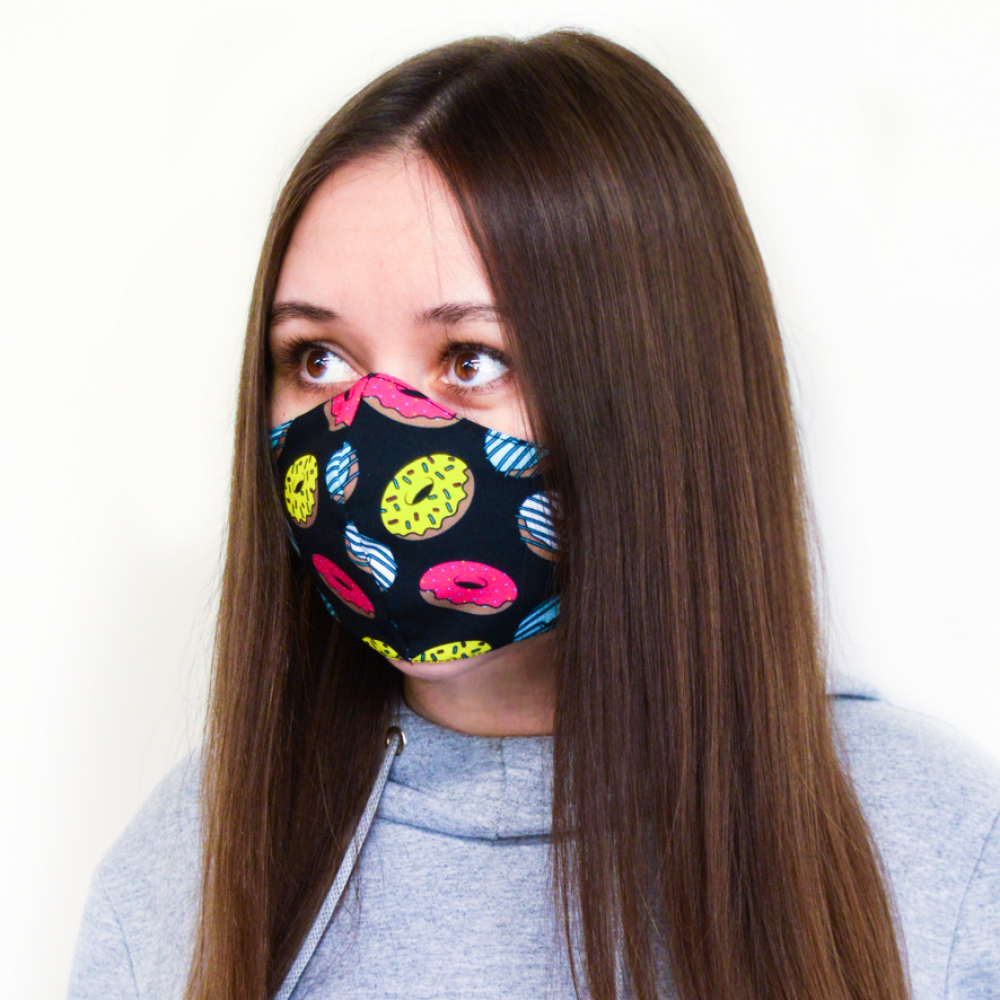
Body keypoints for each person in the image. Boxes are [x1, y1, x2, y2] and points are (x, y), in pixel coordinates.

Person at [67, 29, 1000, 1000]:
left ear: (657, 388)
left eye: (470, 359)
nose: (370, 440)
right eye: (319, 358)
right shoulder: (184, 875)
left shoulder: (940, 853)